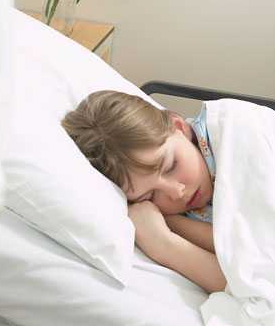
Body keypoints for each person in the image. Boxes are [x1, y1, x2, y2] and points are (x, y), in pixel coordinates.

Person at [61, 90, 226, 293]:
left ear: (179, 127)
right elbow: (243, 276)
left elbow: (259, 265)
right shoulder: (176, 212)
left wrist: (167, 238)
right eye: (149, 196)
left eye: (171, 166)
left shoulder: (229, 135)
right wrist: (164, 238)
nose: (177, 192)